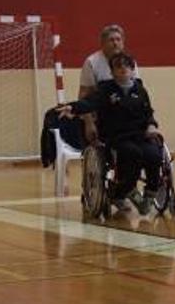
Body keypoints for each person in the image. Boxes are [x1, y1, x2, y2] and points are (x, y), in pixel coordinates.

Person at [58, 52, 162, 214]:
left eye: (126, 66)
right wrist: (72, 107)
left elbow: (148, 113)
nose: (123, 70)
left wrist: (151, 125)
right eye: (118, 67)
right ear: (112, 72)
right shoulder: (106, 90)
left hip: (140, 135)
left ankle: (151, 191)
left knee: (154, 154)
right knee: (132, 153)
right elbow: (89, 102)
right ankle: (125, 190)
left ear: (132, 69)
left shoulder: (141, 90)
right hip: (117, 136)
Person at [79, 24, 139, 142]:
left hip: (126, 115)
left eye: (118, 39)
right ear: (103, 43)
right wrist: (89, 123)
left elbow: (138, 91)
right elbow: (84, 96)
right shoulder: (92, 62)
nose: (115, 43)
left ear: (123, 42)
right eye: (111, 40)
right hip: (102, 116)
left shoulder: (130, 62)